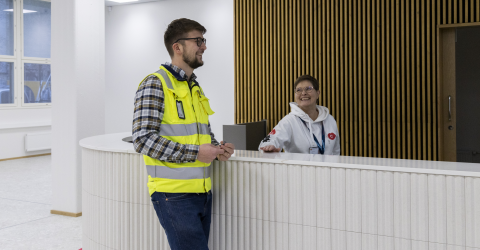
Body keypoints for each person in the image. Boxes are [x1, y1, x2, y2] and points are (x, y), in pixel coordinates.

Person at [132, 18, 235, 250]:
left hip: (202, 193)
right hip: (173, 195)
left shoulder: (194, 87)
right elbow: (142, 139)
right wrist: (196, 153)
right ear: (177, 47)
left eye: (204, 40)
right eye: (198, 40)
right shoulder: (155, 84)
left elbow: (201, 134)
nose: (204, 46)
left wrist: (217, 149)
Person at [258, 75, 340, 155]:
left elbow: (336, 152)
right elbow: (272, 138)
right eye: (298, 90)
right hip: (298, 169)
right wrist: (268, 147)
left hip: (326, 168)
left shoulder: (329, 119)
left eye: (308, 89)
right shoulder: (289, 121)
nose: (303, 93)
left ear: (318, 93)